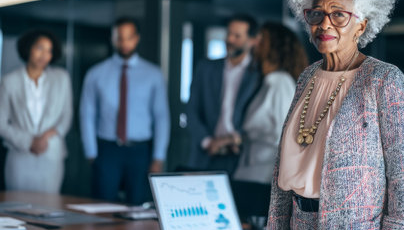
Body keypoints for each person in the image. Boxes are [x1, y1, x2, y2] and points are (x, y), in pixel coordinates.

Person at [262, 0, 404, 230]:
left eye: (339, 14)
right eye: (316, 14)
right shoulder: (307, 77)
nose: (324, 23)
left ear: (361, 25)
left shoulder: (385, 80)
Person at [80, 17, 170, 205]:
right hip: (106, 149)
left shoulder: (153, 74)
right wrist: (91, 153)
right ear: (113, 39)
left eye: (129, 37)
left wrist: (158, 156)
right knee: (102, 207)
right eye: (119, 37)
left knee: (138, 208)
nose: (124, 42)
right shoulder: (95, 73)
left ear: (136, 38)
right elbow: (87, 114)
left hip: (140, 151)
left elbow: (161, 116)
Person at [233, 22, 308, 184]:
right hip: (252, 170)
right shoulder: (266, 81)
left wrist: (239, 139)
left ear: (275, 47)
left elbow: (286, 136)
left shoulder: (280, 83)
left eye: (261, 40)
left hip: (264, 175)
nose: (254, 44)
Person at [187, 14, 261, 175]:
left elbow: (260, 120)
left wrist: (236, 139)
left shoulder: (259, 75)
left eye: (237, 36)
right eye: (228, 33)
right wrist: (208, 142)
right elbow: (191, 109)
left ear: (253, 40)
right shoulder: (205, 68)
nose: (230, 40)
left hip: (240, 156)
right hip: (206, 154)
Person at [0, 30, 72, 193]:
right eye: (40, 48)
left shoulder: (62, 78)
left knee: (49, 208)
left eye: (49, 50)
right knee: (16, 208)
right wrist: (28, 141)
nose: (44, 54)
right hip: (20, 154)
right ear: (28, 48)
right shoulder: (9, 81)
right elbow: (1, 123)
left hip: (50, 154)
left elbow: (66, 116)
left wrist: (45, 137)